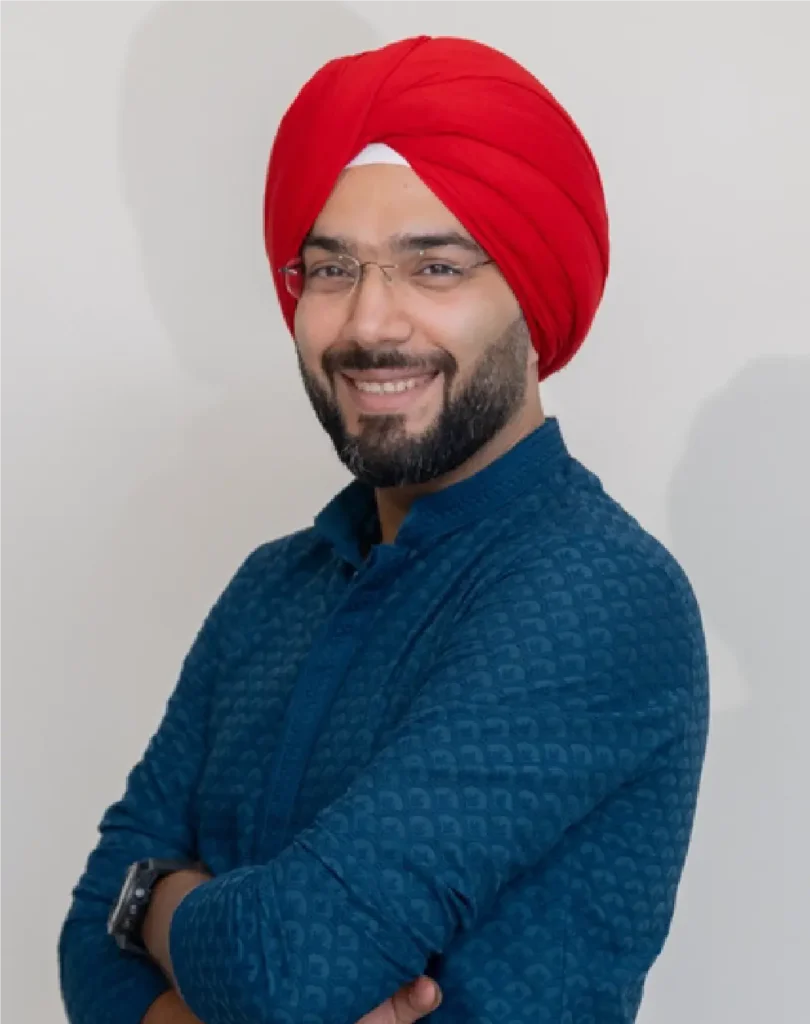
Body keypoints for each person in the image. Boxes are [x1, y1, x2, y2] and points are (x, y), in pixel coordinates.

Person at [59, 34, 710, 1024]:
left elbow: (284, 967)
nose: (370, 323)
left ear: (531, 293)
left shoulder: (600, 594)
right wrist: (190, 943)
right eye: (331, 268)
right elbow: (83, 941)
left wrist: (149, 898)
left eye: (434, 267)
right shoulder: (272, 587)